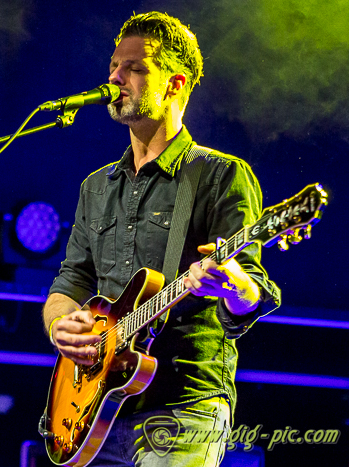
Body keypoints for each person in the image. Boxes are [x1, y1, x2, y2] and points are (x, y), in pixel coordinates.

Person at [43, 11, 281, 466]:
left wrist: (234, 285)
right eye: (114, 66)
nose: (116, 77)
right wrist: (60, 325)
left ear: (174, 84)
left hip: (183, 406)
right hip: (94, 410)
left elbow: (249, 291)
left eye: (134, 68)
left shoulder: (220, 175)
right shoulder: (96, 187)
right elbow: (70, 282)